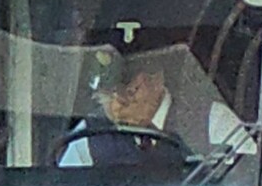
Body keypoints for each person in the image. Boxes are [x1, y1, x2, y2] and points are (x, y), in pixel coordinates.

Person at [58, 42, 249, 168]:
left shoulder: (213, 122)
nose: (117, 106)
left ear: (157, 79)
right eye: (107, 97)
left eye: (129, 92)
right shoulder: (89, 136)